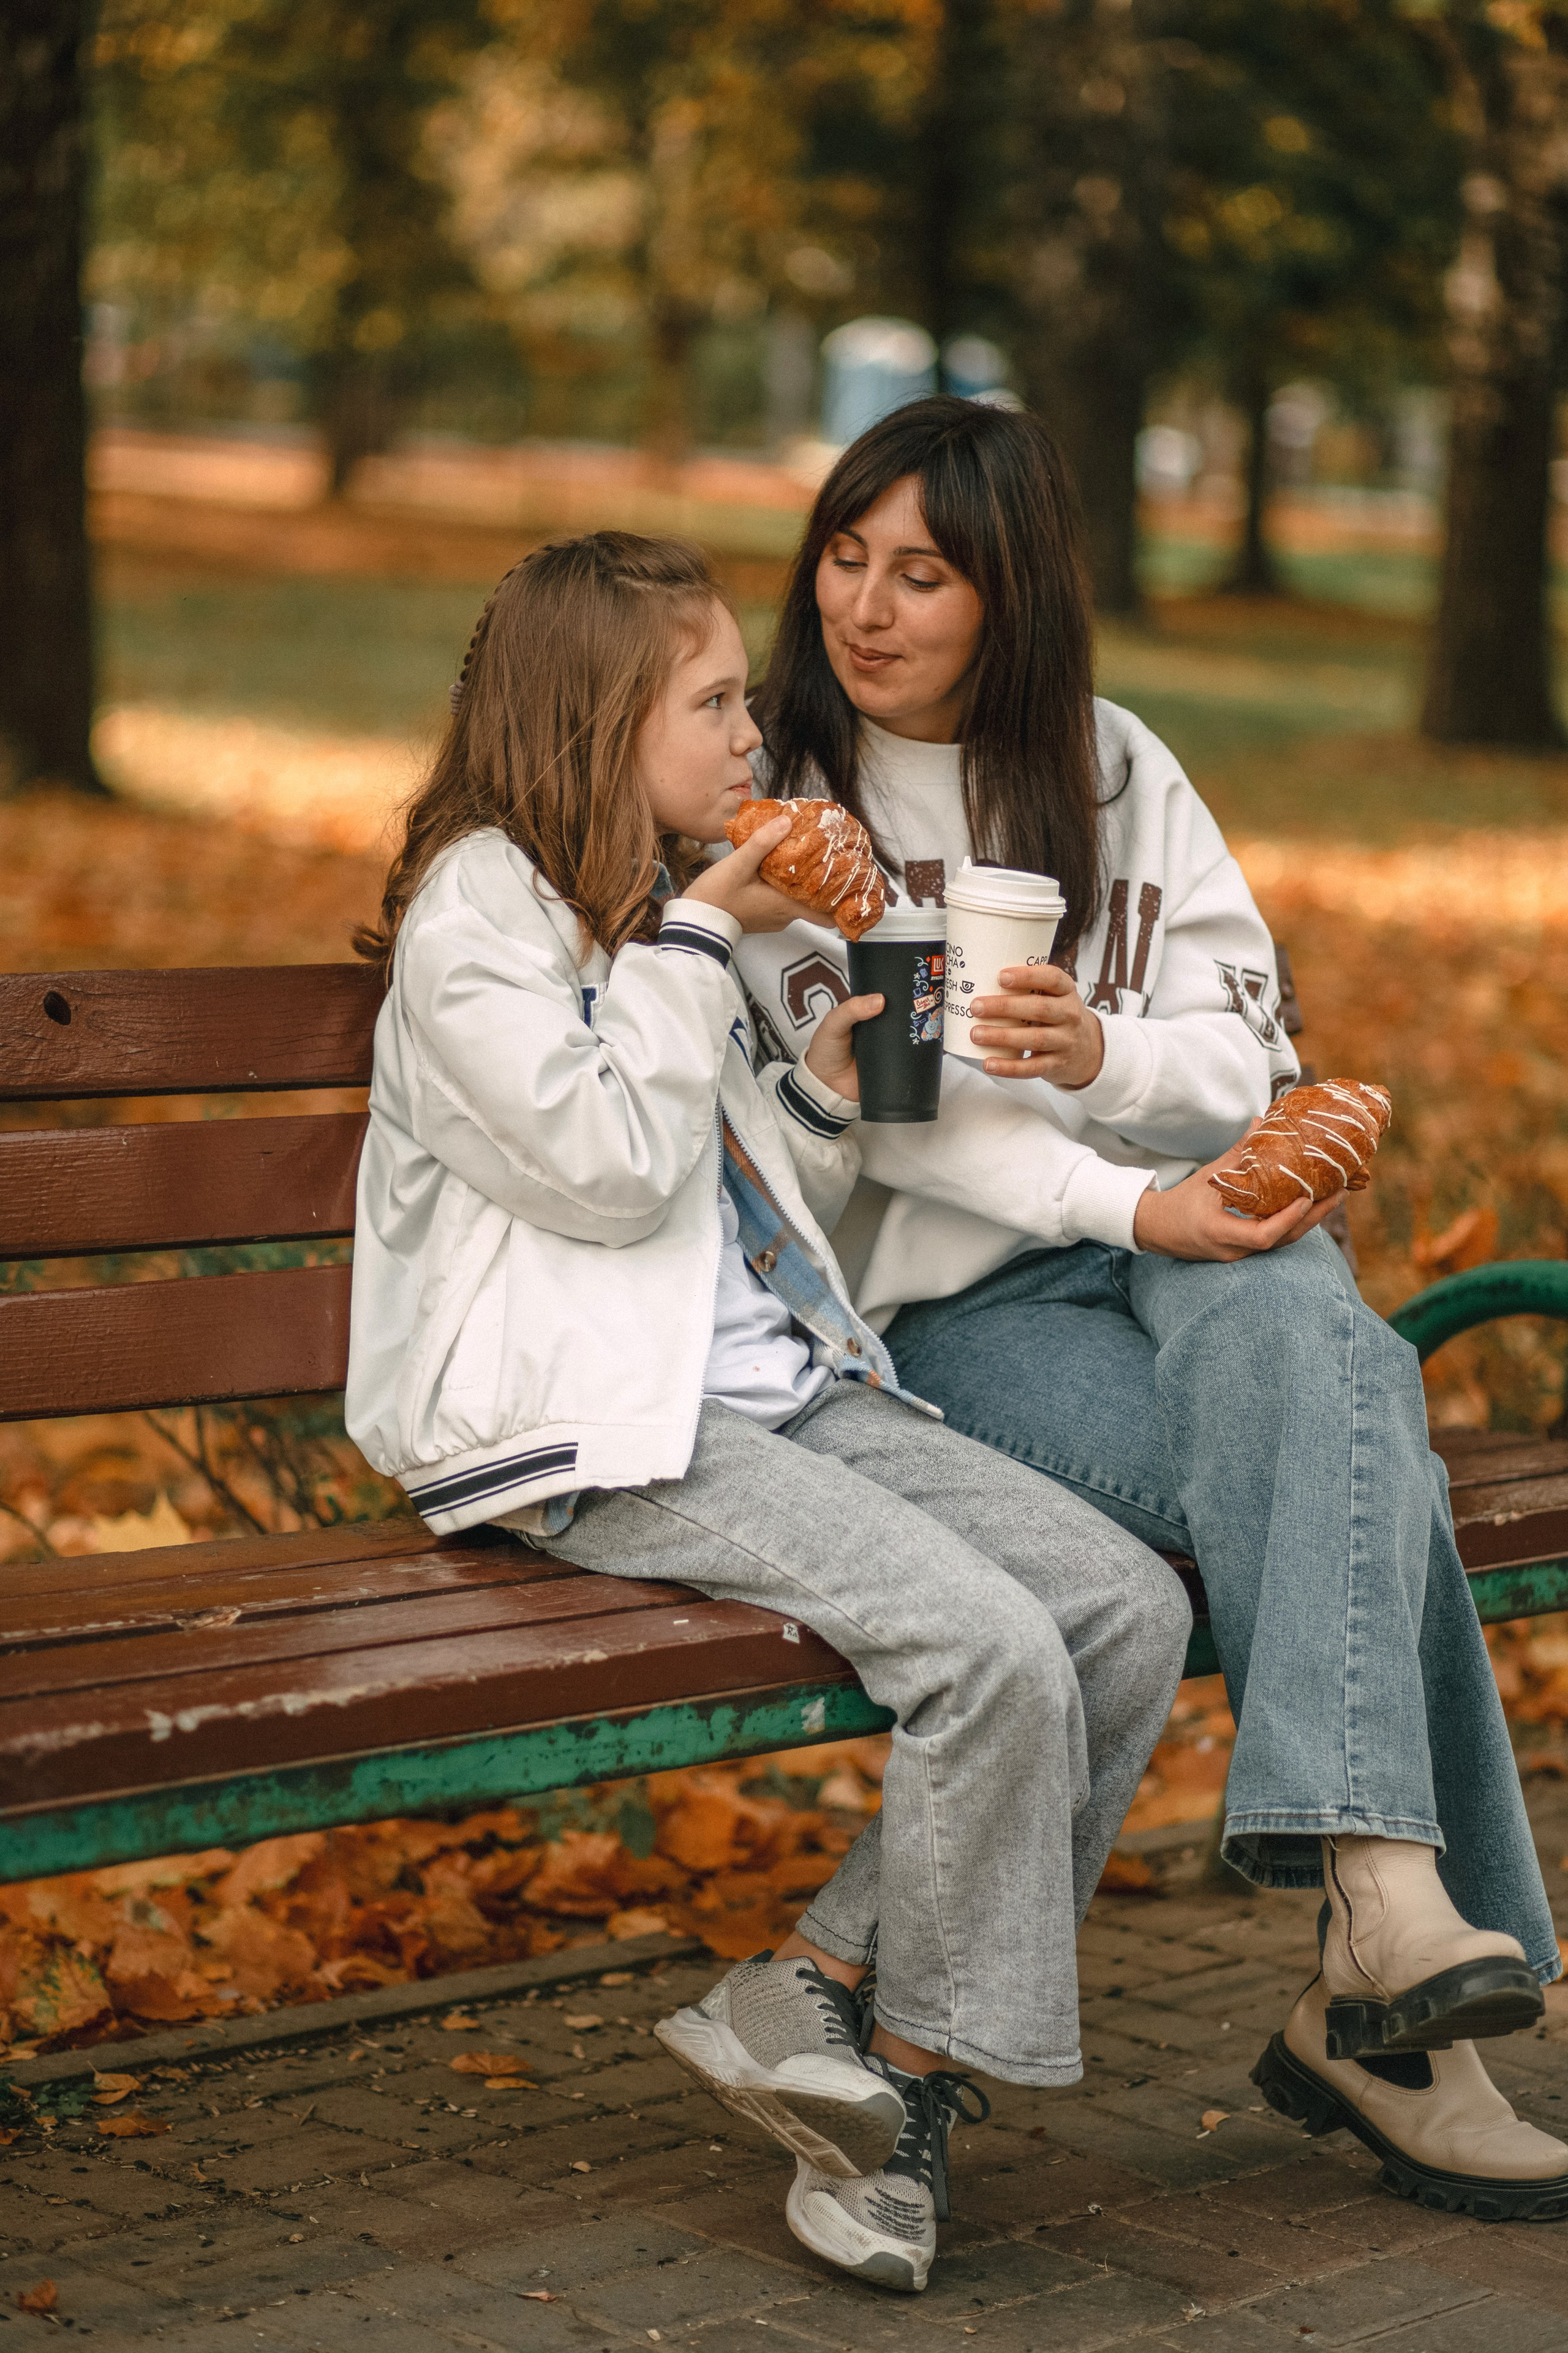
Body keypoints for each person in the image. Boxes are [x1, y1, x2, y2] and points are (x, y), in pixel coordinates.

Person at [737, 396, 1568, 2221]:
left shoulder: (1113, 768)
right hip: (959, 1313)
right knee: (1367, 1460)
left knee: (1305, 1338)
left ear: (1011, 594)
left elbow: (1252, 1049)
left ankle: (1383, 1925)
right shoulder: (784, 804)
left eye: (925, 573)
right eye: (848, 557)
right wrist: (1138, 1187)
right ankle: (1394, 1981)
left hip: (1181, 1251)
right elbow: (905, 1138)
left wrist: (1109, 1049)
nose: (868, 608)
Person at [344, 530, 1193, 2291]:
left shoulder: (642, 900)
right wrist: (713, 924)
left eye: (742, 697)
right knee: (991, 1653)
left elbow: (738, 1183)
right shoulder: (480, 917)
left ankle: (813, 1996)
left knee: (1125, 1606)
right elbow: (603, 1164)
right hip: (595, 1433)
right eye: (715, 700)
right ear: (596, 715)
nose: (753, 735)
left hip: (771, 1389)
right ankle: (903, 2101)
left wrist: (856, 1010)